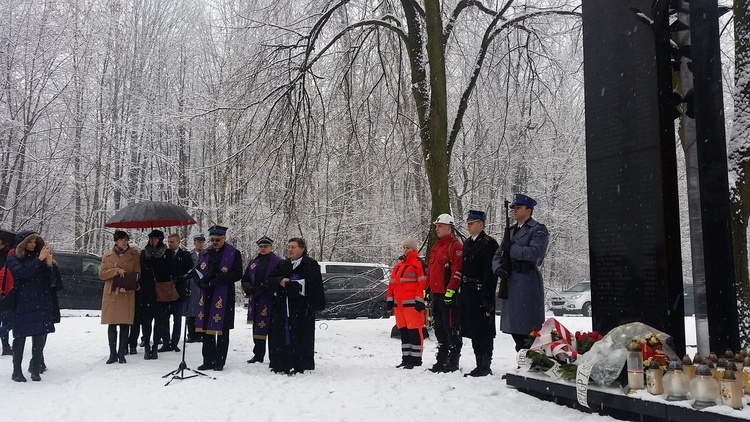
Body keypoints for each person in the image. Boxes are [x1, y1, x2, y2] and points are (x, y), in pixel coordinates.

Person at [492, 194, 549, 352]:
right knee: (515, 330)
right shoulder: (510, 231)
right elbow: (498, 254)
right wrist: (498, 269)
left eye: (518, 208)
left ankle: (529, 364)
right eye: (514, 208)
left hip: (527, 283)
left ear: (528, 211)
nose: (514, 211)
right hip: (510, 281)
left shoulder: (538, 230)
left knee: (528, 331)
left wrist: (513, 249)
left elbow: (535, 253)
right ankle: (522, 362)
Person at [6, 230, 60, 382]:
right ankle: (16, 370)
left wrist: (49, 264)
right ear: (22, 244)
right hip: (23, 302)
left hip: (42, 301)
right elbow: (23, 273)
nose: (32, 245)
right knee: (20, 337)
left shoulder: (40, 257)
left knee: (40, 336)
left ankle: (35, 368)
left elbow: (52, 282)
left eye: (34, 242)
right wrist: (39, 260)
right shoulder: (13, 258)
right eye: (29, 242)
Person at [267, 237, 326, 374]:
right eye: (288, 247)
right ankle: (282, 362)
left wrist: (299, 286)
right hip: (283, 306)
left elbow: (315, 285)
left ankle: (300, 363)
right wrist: (280, 281)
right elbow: (271, 279)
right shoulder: (283, 264)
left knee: (300, 335)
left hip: (301, 307)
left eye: (293, 247)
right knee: (282, 335)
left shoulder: (310, 264)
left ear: (302, 249)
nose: (290, 250)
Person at [195, 225, 242, 371]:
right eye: (212, 239)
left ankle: (219, 361)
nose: (214, 242)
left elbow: (237, 274)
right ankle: (207, 360)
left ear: (224, 238)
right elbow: (197, 271)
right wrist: (200, 281)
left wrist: (220, 278)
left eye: (218, 240)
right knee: (206, 330)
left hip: (224, 295)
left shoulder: (233, 253)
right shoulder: (206, 253)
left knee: (222, 330)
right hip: (207, 295)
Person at [459, 210, 499, 376]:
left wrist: (487, 296)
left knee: (484, 330)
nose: (468, 226)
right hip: (469, 291)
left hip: (482, 290)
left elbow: (490, 273)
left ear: (481, 224)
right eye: (468, 223)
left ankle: (485, 364)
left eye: (472, 223)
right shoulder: (468, 243)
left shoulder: (489, 244)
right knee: (474, 329)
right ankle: (478, 363)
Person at [427, 213, 463, 373]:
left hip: (448, 295)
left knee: (451, 328)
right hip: (436, 294)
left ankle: (453, 360)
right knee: (439, 328)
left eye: (439, 226)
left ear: (449, 227)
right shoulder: (436, 247)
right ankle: (441, 359)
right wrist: (426, 290)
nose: (437, 229)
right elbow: (431, 272)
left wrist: (451, 290)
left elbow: (457, 270)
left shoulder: (455, 246)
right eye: (436, 226)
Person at [99, 230, 140, 364]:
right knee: (112, 324)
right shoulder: (107, 256)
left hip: (126, 293)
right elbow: (102, 274)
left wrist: (129, 282)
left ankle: (122, 353)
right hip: (112, 293)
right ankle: (112, 354)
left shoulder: (134, 255)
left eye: (126, 239)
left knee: (124, 324)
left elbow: (138, 273)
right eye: (121, 239)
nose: (124, 242)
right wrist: (116, 271)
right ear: (116, 241)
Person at [386, 237, 427, 369]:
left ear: (414, 249)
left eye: (407, 248)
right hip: (399, 306)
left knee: (414, 332)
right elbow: (392, 285)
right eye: (404, 247)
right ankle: (406, 358)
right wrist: (390, 300)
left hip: (412, 305)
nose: (405, 250)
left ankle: (416, 360)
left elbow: (423, 284)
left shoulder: (418, 264)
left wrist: (420, 301)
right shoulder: (398, 266)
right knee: (404, 333)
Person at [241, 236, 282, 364]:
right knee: (257, 327)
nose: (263, 249)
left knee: (270, 328)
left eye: (265, 246)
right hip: (255, 298)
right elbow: (245, 278)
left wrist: (266, 287)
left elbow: (279, 279)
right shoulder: (253, 262)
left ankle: (273, 356)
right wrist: (247, 287)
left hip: (270, 299)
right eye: (261, 247)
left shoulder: (278, 262)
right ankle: (258, 354)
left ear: (271, 247)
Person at [139, 229, 175, 360]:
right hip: (147, 291)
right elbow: (141, 271)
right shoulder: (144, 253)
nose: (152, 241)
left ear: (160, 239)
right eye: (151, 238)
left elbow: (170, 271)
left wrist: (157, 263)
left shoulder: (167, 253)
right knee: (146, 321)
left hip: (161, 292)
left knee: (159, 321)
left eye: (155, 238)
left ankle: (155, 347)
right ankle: (147, 347)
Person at [160, 233, 193, 352]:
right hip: (166, 290)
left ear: (178, 242)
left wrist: (181, 277)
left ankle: (174, 342)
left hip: (179, 291)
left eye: (172, 242)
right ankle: (165, 342)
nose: (169, 244)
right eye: (168, 242)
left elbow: (190, 271)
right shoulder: (163, 254)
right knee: (164, 318)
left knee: (177, 319)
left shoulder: (185, 255)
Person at [186, 234, 205, 343]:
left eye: (202, 242)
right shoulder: (190, 255)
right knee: (192, 312)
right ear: (194, 243)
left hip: (203, 286)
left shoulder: (207, 255)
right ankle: (191, 334)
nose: (200, 244)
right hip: (192, 286)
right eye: (198, 242)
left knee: (202, 311)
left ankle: (201, 334)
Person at [0, 237, 13, 356]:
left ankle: (5, 346)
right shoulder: (8, 259)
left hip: (4, 293)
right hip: (5, 294)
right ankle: (5, 346)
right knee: (7, 322)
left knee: (6, 321)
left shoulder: (7, 258)